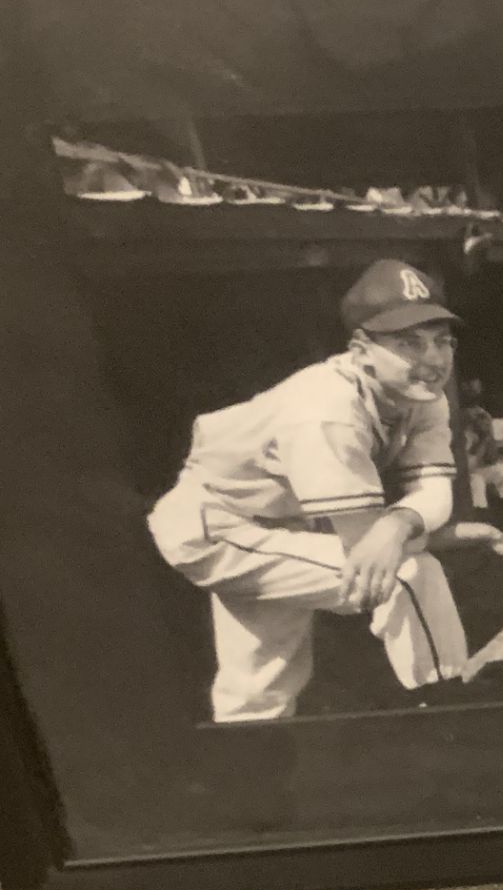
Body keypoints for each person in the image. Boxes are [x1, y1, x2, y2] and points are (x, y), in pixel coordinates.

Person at [147, 259, 472, 722]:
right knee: (409, 574)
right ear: (361, 351)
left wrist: (399, 523)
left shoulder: (421, 394)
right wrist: (423, 532)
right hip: (216, 529)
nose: (433, 359)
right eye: (408, 343)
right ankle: (451, 712)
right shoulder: (326, 410)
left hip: (276, 525)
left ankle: (252, 774)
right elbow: (366, 547)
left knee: (259, 686)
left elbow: (433, 493)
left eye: (442, 341)